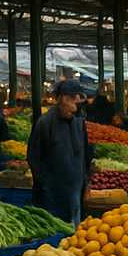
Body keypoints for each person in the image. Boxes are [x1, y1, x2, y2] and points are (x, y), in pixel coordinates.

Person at [28, 79, 92, 226]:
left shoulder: (78, 122)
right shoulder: (45, 123)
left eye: (77, 103)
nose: (75, 109)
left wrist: (86, 180)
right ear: (62, 99)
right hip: (53, 194)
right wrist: (44, 185)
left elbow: (84, 152)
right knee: (56, 234)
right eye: (72, 102)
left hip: (75, 190)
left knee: (75, 231)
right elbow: (34, 157)